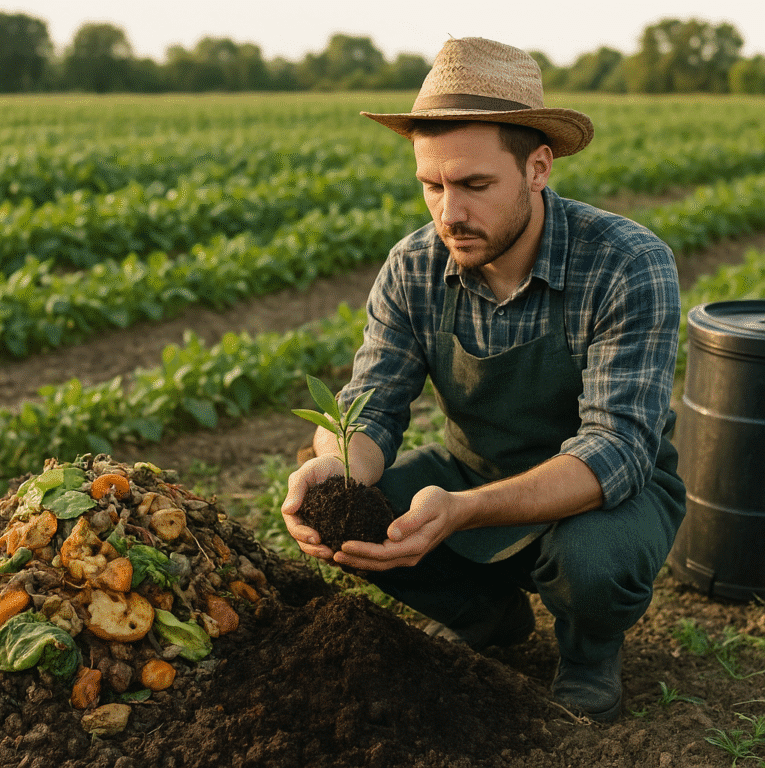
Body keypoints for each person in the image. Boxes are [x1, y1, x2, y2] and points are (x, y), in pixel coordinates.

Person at [281, 37, 686, 723]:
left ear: (538, 167)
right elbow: (373, 408)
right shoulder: (413, 266)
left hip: (605, 498)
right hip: (470, 470)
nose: (448, 213)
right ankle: (488, 615)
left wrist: (464, 511)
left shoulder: (625, 263)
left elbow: (616, 450)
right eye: (431, 185)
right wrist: (337, 471)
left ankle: (590, 652)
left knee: (593, 559)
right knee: (343, 520)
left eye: (473, 185)